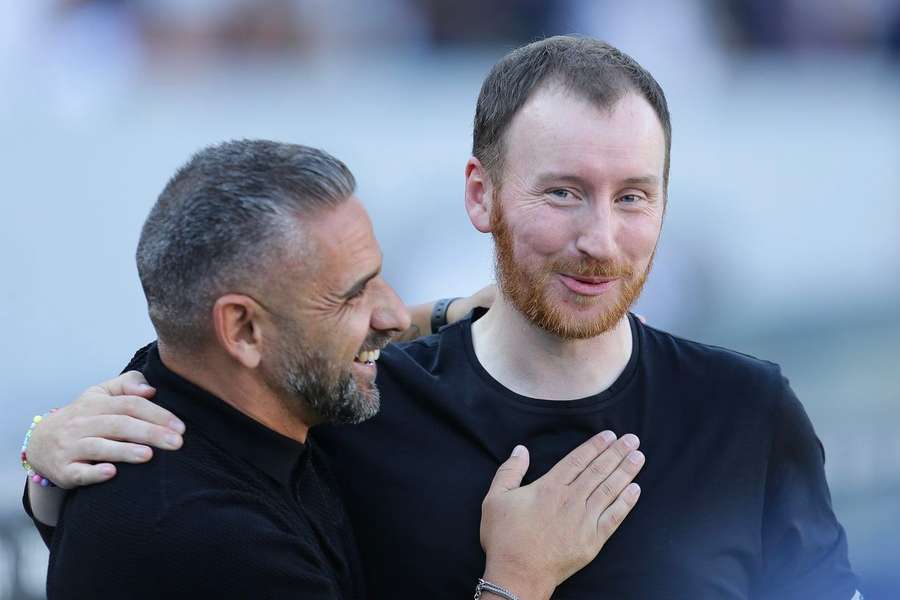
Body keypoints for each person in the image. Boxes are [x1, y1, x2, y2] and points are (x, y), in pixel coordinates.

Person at [25, 36, 861, 599]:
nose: (600, 240)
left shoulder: (751, 411)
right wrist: (52, 463)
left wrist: (43, 476)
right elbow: (208, 398)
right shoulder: (357, 410)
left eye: (633, 196)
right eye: (563, 192)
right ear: (481, 194)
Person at [22, 139, 644, 599]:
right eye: (353, 294)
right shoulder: (216, 542)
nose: (392, 312)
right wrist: (518, 577)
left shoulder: (170, 384)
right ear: (242, 330)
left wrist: (453, 313)